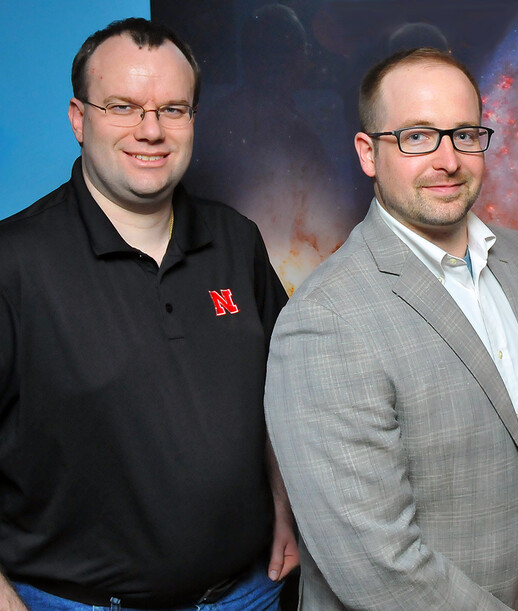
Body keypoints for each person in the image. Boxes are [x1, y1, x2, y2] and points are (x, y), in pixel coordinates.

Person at [264, 48, 518, 610]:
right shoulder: (325, 320)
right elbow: (375, 562)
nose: (448, 160)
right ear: (369, 153)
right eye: (417, 136)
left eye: (464, 134)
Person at [0, 18, 297, 610]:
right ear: (78, 118)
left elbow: (280, 389)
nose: (151, 130)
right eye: (123, 106)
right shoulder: (14, 263)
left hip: (250, 594)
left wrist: (286, 504)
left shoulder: (236, 240)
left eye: (173, 109)